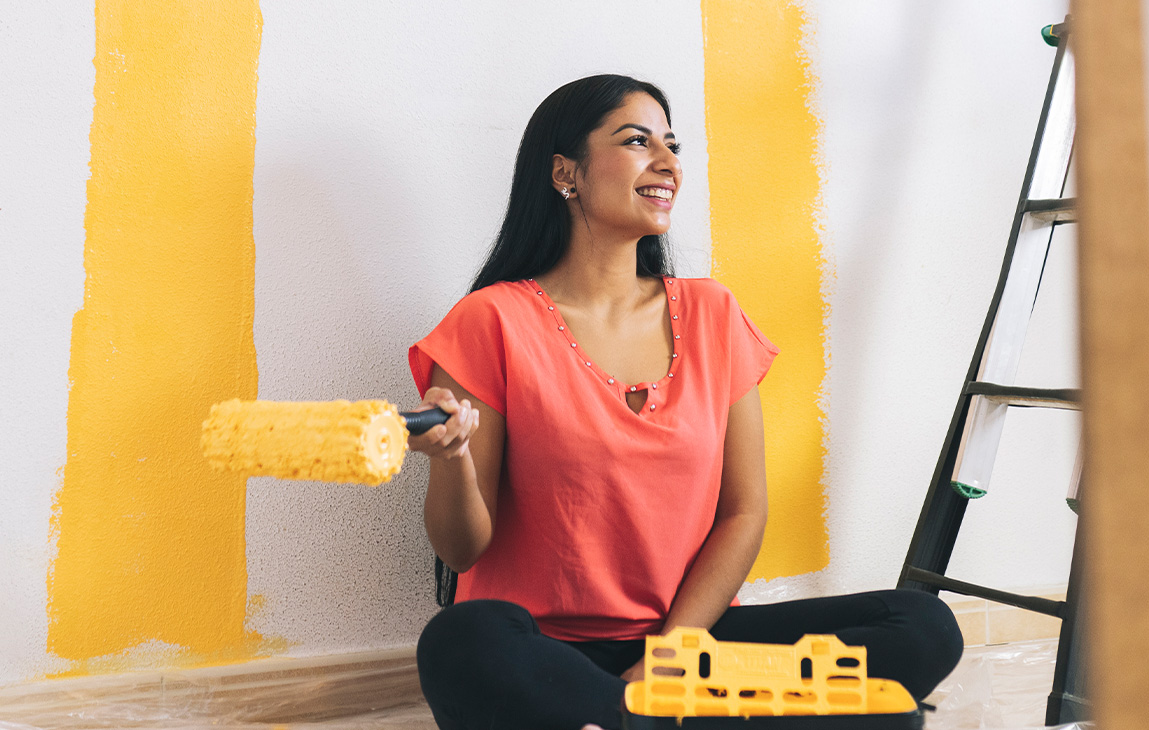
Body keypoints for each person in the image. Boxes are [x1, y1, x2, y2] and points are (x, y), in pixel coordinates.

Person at [405, 74, 962, 730]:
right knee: (460, 642)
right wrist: (451, 459)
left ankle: (631, 718)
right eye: (638, 142)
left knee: (923, 625)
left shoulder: (712, 313)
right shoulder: (489, 321)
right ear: (566, 173)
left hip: (691, 645)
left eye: (672, 145)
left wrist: (672, 656)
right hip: (542, 648)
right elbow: (463, 550)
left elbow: (744, 511)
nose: (668, 164)